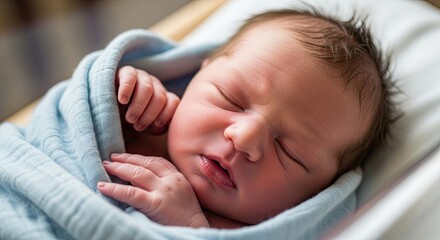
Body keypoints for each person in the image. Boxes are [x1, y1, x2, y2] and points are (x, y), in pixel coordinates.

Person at [97, 8, 399, 229]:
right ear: (197, 74)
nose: (243, 138)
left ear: (317, 193)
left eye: (290, 152)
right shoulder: (145, 119)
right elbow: (75, 116)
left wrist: (189, 227)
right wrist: (115, 96)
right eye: (231, 99)